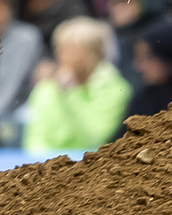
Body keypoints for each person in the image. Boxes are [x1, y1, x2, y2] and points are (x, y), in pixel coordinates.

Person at [22, 17, 130, 151]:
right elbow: (35, 140)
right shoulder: (47, 88)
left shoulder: (115, 89)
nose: (60, 55)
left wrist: (68, 96)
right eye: (59, 49)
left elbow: (94, 139)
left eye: (69, 49)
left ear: (90, 54)